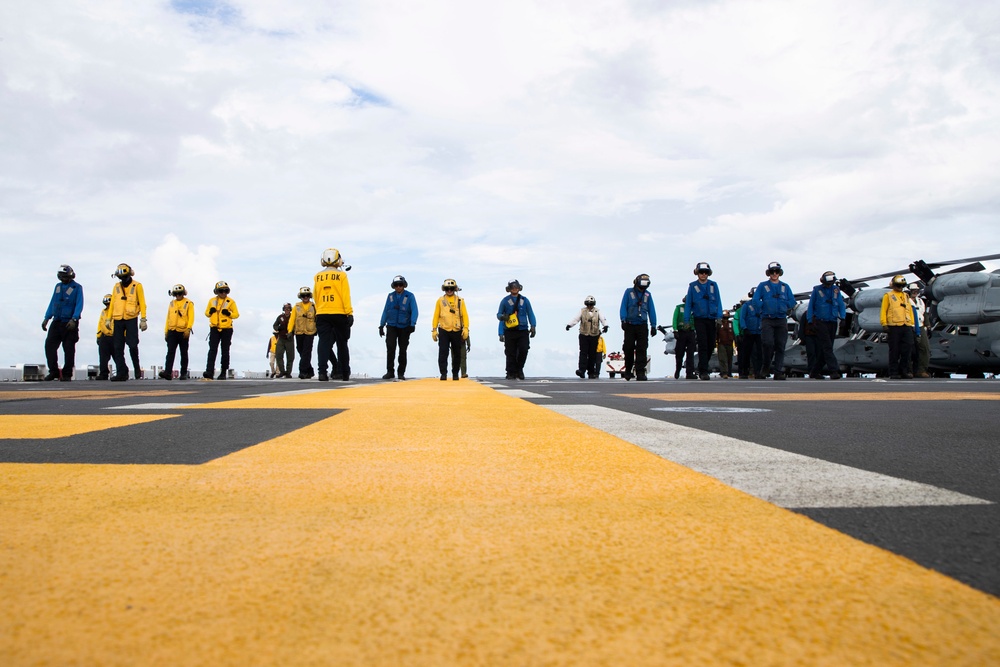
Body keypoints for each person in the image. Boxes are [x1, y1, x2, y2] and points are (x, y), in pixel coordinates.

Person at [314, 248, 353, 381]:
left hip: (322, 312)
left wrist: (319, 310)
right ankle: (345, 372)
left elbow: (316, 295)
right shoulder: (342, 276)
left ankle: (322, 373)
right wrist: (349, 313)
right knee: (342, 343)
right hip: (339, 312)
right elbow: (345, 295)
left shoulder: (318, 276)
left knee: (323, 343)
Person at [751, 262, 795, 381]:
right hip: (767, 319)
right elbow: (755, 300)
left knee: (780, 345)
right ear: (769, 273)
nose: (774, 274)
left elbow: (792, 301)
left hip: (781, 319)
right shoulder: (762, 286)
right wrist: (763, 307)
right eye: (772, 272)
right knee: (767, 344)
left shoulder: (785, 287)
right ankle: (765, 367)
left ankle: (778, 371)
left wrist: (784, 306)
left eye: (776, 271)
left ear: (779, 273)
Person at [42, 264, 84, 381]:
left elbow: (79, 304)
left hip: (69, 322)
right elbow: (53, 302)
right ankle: (53, 371)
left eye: (65, 277)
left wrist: (74, 319)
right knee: (49, 345)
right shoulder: (58, 287)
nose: (63, 279)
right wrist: (47, 318)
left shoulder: (77, 288)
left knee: (69, 348)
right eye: (61, 277)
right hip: (57, 321)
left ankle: (67, 374)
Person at [685, 262, 724, 380]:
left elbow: (718, 301)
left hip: (711, 318)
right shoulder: (692, 286)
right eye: (701, 272)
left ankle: (702, 365)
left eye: (705, 272)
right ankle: (703, 371)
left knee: (711, 344)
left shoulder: (713, 285)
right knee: (703, 344)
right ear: (697, 273)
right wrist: (686, 320)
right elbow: (688, 304)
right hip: (699, 319)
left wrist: (719, 316)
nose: (703, 274)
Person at [109, 263, 147, 381]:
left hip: (131, 318)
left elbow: (142, 303)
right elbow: (112, 304)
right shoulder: (116, 287)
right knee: (118, 347)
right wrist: (108, 319)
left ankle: (137, 370)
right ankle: (121, 373)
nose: (123, 279)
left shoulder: (137, 286)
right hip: (118, 319)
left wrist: (143, 319)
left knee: (132, 345)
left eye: (125, 276)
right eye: (121, 277)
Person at [806, 271, 845, 379]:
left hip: (832, 321)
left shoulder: (836, 291)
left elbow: (841, 304)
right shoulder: (817, 290)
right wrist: (810, 320)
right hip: (820, 322)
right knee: (827, 347)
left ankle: (815, 371)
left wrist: (843, 317)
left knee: (826, 349)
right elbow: (811, 306)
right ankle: (834, 370)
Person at [379, 275, 418, 380]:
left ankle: (401, 373)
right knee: (390, 348)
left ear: (404, 285)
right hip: (391, 326)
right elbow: (385, 311)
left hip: (405, 327)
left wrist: (412, 324)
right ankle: (390, 371)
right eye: (396, 285)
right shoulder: (390, 296)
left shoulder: (410, 296)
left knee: (403, 350)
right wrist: (381, 325)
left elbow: (415, 311)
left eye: (400, 285)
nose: (398, 287)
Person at [619, 274, 657, 381]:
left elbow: (651, 310)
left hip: (642, 325)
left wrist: (653, 325)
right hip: (630, 324)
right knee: (628, 347)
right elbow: (623, 306)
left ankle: (640, 372)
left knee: (642, 348)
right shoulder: (628, 292)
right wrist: (623, 320)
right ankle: (628, 370)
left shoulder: (648, 295)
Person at [497, 279, 537, 380]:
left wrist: (533, 326)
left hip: (523, 330)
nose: (514, 289)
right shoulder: (505, 301)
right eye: (512, 287)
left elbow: (530, 313)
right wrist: (501, 331)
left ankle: (519, 369)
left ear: (519, 288)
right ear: (509, 289)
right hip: (509, 330)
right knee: (510, 352)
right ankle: (510, 372)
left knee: (524, 349)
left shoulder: (525, 300)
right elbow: (498, 315)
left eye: (516, 287)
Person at [432, 278, 469, 381]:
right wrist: (434, 330)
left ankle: (455, 373)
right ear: (444, 289)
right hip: (444, 329)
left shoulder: (460, 301)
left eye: (451, 288)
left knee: (457, 353)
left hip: (456, 330)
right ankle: (443, 373)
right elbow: (436, 316)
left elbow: (465, 316)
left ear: (454, 289)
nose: (449, 290)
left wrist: (466, 328)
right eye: (447, 288)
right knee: (443, 352)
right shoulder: (440, 301)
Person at [203, 281, 239, 380]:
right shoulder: (211, 301)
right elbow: (206, 313)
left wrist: (229, 314)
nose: (223, 293)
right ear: (217, 292)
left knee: (225, 350)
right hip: (214, 328)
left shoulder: (230, 302)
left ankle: (223, 372)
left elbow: (236, 314)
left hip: (227, 329)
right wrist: (209, 312)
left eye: (226, 291)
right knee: (212, 350)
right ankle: (209, 371)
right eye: (221, 291)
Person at [880, 275, 915, 379]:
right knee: (894, 350)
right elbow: (883, 310)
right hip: (893, 326)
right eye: (898, 285)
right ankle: (894, 372)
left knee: (907, 350)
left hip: (906, 325)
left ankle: (904, 370)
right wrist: (884, 323)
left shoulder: (906, 296)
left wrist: (911, 324)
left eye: (901, 286)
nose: (900, 287)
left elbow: (909, 310)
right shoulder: (888, 296)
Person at [566, 295, 608, 379]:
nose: (589, 306)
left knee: (592, 354)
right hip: (584, 335)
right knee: (583, 353)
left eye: (591, 304)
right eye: (588, 304)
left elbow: (603, 319)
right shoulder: (582, 311)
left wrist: (605, 326)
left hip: (594, 335)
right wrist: (569, 325)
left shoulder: (597, 311)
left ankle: (591, 372)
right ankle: (582, 370)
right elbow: (576, 319)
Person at [160, 284, 194, 381]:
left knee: (184, 352)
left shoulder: (188, 303)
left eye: (180, 293)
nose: (178, 295)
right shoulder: (171, 303)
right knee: (170, 352)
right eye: (176, 294)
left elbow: (191, 317)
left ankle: (183, 373)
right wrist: (166, 331)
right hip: (172, 331)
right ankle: (167, 372)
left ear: (183, 293)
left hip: (183, 331)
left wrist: (188, 328)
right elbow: (168, 318)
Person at [289, 289, 319, 379]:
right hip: (299, 332)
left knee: (307, 351)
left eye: (307, 295)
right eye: (303, 295)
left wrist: (318, 329)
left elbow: (318, 318)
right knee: (300, 350)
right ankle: (310, 370)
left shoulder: (314, 306)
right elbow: (292, 319)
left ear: (310, 296)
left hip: (310, 332)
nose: (305, 297)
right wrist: (290, 330)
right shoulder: (296, 306)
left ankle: (303, 371)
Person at [737, 290, 763, 379]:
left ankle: (758, 372)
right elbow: (742, 318)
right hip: (749, 332)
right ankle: (744, 372)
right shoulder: (746, 306)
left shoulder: (762, 306)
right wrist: (745, 328)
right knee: (746, 353)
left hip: (759, 332)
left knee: (759, 353)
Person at [672, 297, 696, 379]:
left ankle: (689, 373)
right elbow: (675, 319)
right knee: (679, 353)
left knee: (690, 354)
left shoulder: (694, 309)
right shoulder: (679, 308)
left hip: (691, 332)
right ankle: (678, 369)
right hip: (681, 332)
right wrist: (675, 330)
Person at [910, 284, 931, 378]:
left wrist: (928, 325)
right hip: (909, 326)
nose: (915, 292)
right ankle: (909, 370)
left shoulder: (920, 301)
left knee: (924, 348)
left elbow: (924, 313)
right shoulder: (906, 301)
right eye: (913, 290)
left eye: (916, 290)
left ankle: (921, 370)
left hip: (921, 326)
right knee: (910, 350)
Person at [272, 303, 295, 379]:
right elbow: (274, 325)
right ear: (283, 309)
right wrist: (278, 328)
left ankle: (288, 372)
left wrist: (292, 333)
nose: (287, 310)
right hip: (281, 338)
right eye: (285, 308)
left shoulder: (293, 317)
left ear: (290, 309)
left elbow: (297, 325)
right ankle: (282, 371)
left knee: (290, 356)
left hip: (290, 339)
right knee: (278, 355)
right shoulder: (280, 317)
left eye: (288, 308)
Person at [95, 294, 114, 380]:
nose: (107, 305)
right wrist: (98, 336)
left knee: (118, 356)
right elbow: (100, 324)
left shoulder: (116, 311)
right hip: (104, 336)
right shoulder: (103, 311)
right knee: (103, 357)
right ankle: (103, 373)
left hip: (114, 336)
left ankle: (123, 372)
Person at [716, 310, 735, 379]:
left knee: (730, 358)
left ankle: (729, 372)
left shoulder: (731, 323)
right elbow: (716, 333)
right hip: (721, 343)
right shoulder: (719, 324)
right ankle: (724, 372)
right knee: (723, 358)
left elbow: (734, 333)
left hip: (730, 343)